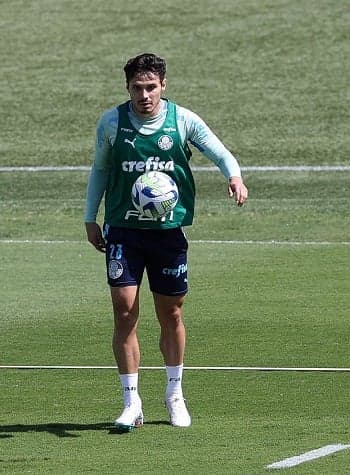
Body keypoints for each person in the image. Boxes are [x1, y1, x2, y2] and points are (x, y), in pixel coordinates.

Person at [84, 53, 249, 431]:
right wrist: (89, 218)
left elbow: (219, 151)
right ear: (127, 88)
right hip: (123, 229)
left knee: (171, 312)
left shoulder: (183, 120)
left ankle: (174, 394)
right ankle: (131, 402)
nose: (144, 95)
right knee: (124, 311)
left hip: (168, 234)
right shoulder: (112, 122)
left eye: (151, 87)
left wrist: (234, 177)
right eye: (137, 88)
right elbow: (100, 169)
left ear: (163, 86)